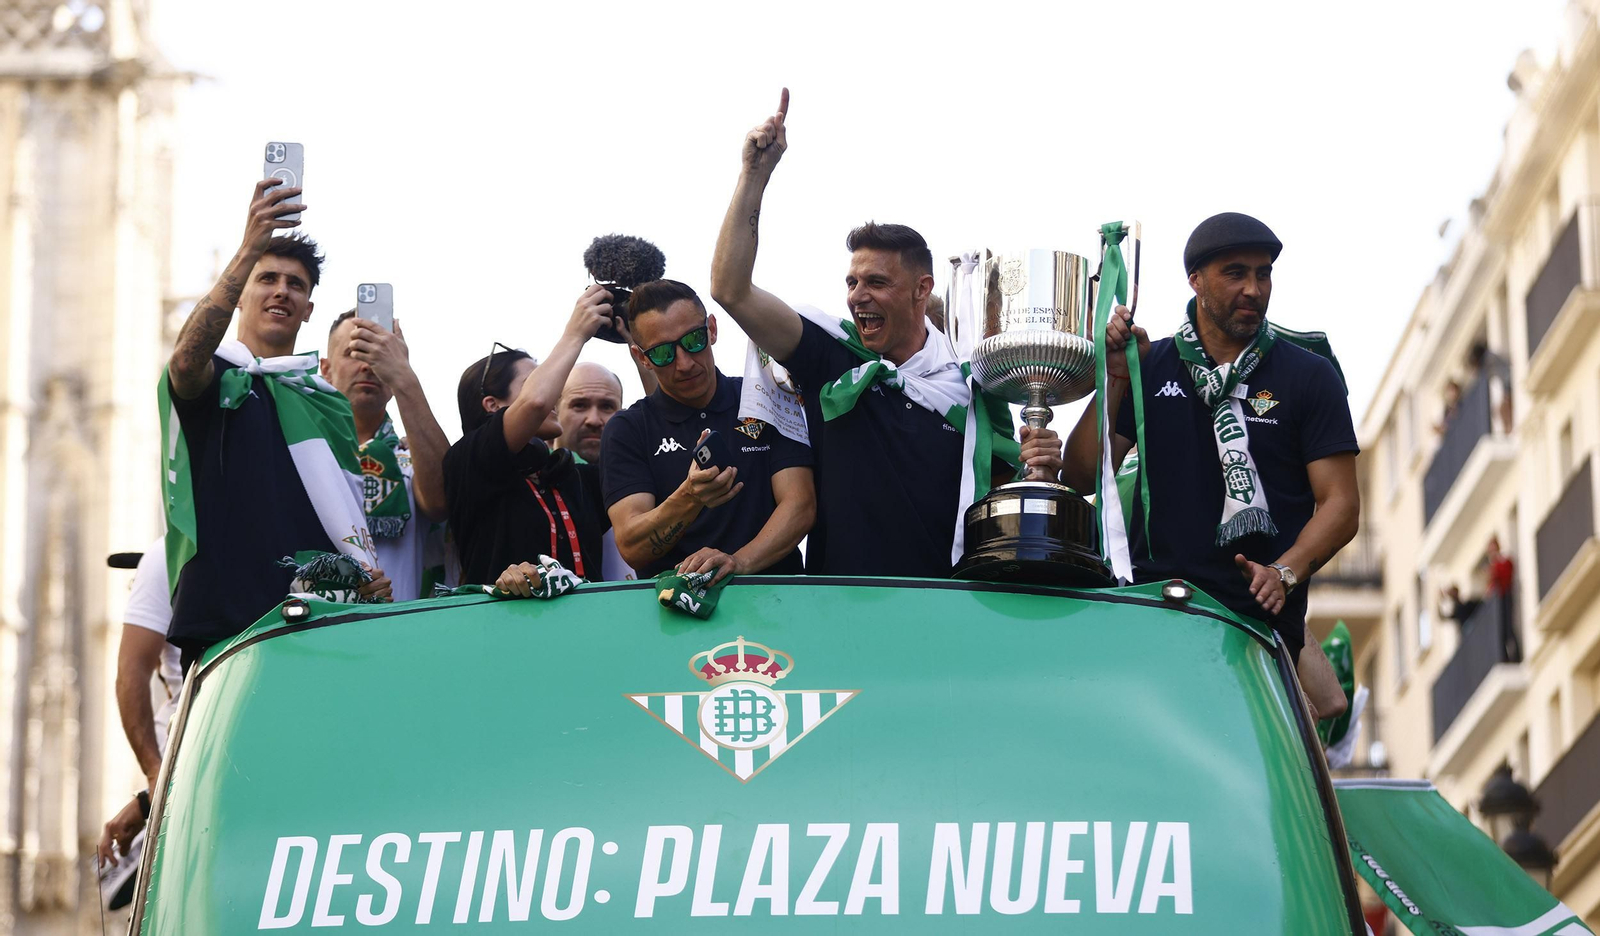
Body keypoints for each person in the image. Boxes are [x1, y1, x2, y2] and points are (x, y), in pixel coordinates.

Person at [709, 89, 1062, 577]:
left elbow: (999, 487)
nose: (857, 297)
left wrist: (1037, 463)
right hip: (842, 611)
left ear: (922, 290)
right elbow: (731, 291)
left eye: (876, 283)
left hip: (947, 610)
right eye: (852, 282)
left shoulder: (974, 384)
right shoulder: (830, 355)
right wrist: (755, 176)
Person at [1062, 212, 1355, 720]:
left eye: (1263, 274)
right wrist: (1113, 379)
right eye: (1235, 273)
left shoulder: (1309, 376)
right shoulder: (1147, 365)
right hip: (1156, 617)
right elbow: (1083, 474)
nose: (1253, 289)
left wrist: (1285, 571)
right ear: (1195, 280)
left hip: (1257, 631)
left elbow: (1342, 504)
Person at [162, 180, 389, 670]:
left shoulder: (327, 403)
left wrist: (367, 577)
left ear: (308, 311)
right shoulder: (216, 374)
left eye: (296, 285)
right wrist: (249, 248)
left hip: (322, 627)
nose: (281, 291)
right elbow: (184, 363)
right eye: (267, 278)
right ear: (241, 294)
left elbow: (345, 523)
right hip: (228, 630)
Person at [602, 279, 815, 582]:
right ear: (642, 357)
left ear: (712, 329)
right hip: (674, 612)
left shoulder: (766, 395)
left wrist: (737, 563)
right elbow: (632, 546)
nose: (685, 363)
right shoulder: (627, 428)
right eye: (663, 353)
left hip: (773, 604)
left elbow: (801, 504)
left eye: (693, 340)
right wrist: (690, 496)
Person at [443, 287, 614, 585]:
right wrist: (575, 334)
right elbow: (535, 402)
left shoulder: (574, 476)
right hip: (503, 629)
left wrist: (646, 353)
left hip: (589, 629)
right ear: (493, 404)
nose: (553, 393)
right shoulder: (467, 461)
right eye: (535, 381)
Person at [321, 310, 450, 600]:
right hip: (314, 629)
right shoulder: (307, 453)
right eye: (355, 352)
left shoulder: (411, 455)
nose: (368, 366)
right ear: (326, 370)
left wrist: (403, 375)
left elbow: (442, 502)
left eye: (378, 355)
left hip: (398, 633)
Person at [97, 543, 182, 905]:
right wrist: (153, 781)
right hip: (181, 758)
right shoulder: (167, 557)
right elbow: (130, 672)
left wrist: (151, 792)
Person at [554, 361, 650, 580]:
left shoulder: (645, 479)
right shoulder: (531, 486)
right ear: (554, 409)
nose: (594, 420)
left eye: (607, 406)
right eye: (579, 405)